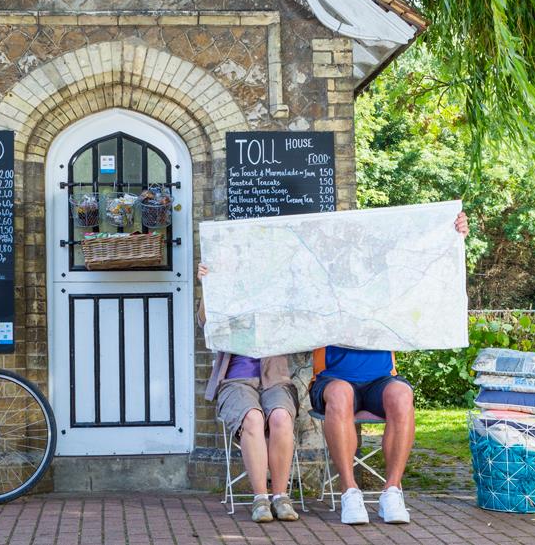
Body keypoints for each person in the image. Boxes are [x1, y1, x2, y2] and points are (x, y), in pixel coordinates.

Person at [311, 210, 470, 526]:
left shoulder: (388, 284)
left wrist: (453, 237)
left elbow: (428, 274)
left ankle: (392, 491)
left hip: (380, 379)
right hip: (332, 378)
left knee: (401, 395)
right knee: (341, 395)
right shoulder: (320, 281)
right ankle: (349, 492)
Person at [198, 262, 298, 523]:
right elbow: (205, 321)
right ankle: (260, 500)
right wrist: (207, 285)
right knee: (252, 418)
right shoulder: (227, 290)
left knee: (280, 417)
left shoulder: (278, 292)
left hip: (274, 378)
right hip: (236, 379)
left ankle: (281, 497)